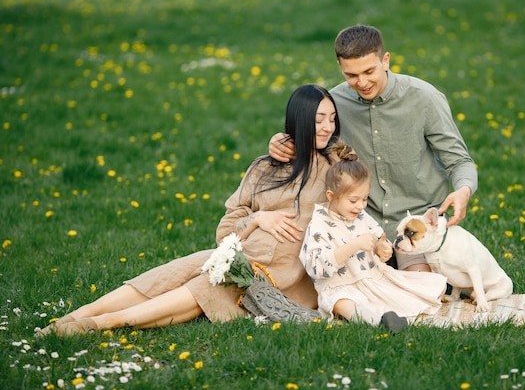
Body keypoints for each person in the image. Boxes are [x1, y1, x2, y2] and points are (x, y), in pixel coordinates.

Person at [35, 84, 343, 337]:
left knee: (202, 288)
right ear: (299, 120)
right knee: (170, 273)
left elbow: (352, 193)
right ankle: (72, 316)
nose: (327, 127)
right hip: (238, 257)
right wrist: (257, 218)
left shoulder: (335, 171)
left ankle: (99, 324)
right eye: (318, 120)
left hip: (278, 279)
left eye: (331, 119)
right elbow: (225, 231)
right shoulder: (264, 168)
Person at [270, 24, 478, 272]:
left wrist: (464, 190)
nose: (362, 82)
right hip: (358, 224)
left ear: (385, 60)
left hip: (416, 224)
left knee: (421, 291)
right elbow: (311, 135)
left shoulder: (425, 98)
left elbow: (459, 160)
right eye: (351, 75)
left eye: (369, 71)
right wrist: (282, 140)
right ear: (341, 68)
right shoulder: (335, 103)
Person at [299, 143, 447, 333]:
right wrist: (353, 246)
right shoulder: (319, 224)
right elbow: (316, 267)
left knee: (434, 288)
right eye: (353, 200)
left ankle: (388, 312)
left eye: (364, 199)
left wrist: (380, 249)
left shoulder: (360, 216)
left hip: (373, 280)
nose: (360, 206)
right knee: (341, 303)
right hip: (341, 286)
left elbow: (378, 239)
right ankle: (378, 321)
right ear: (331, 196)